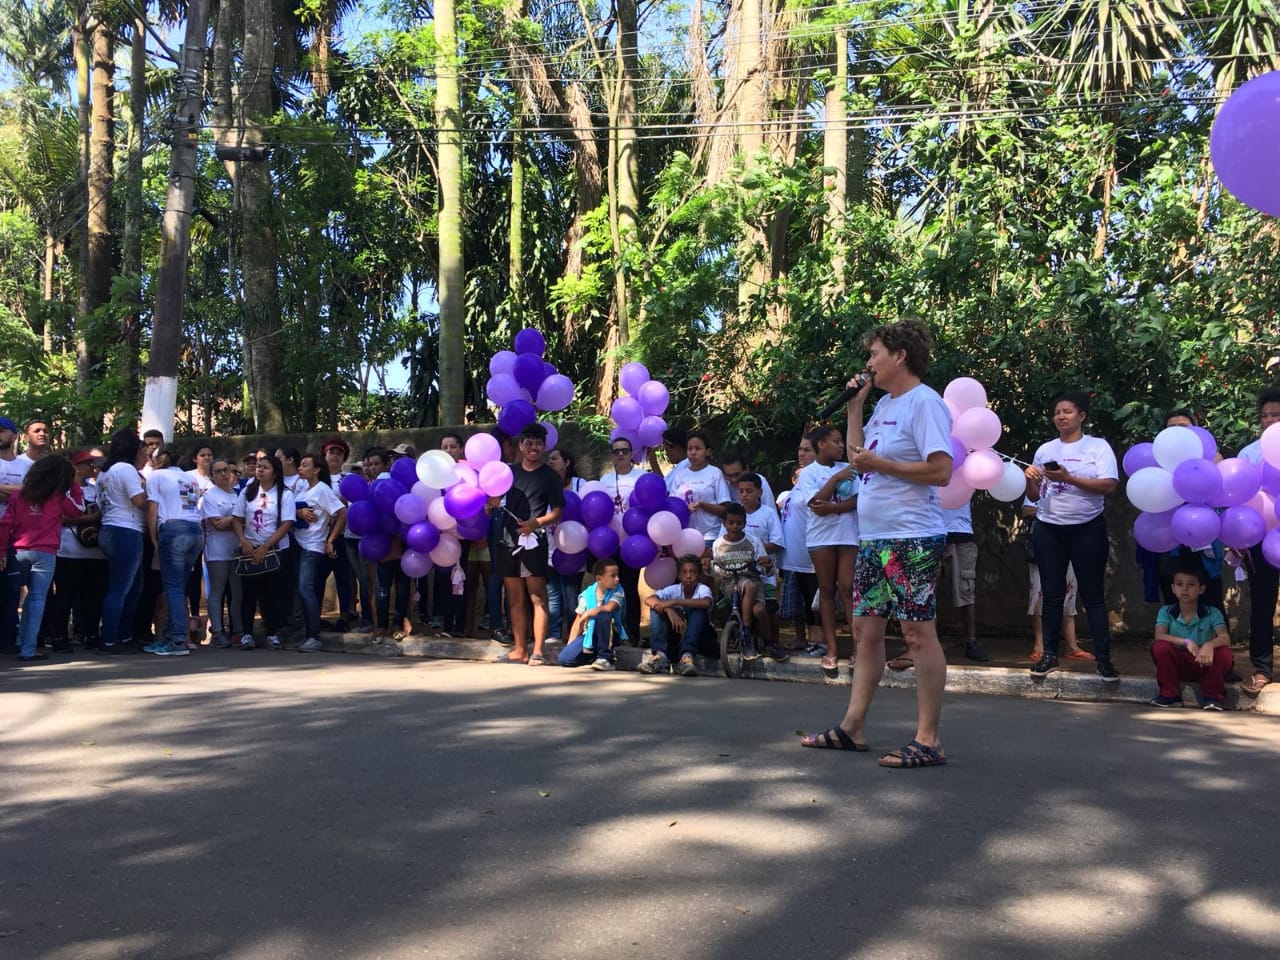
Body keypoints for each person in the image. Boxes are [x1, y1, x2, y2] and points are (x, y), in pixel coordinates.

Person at [802, 319, 954, 768]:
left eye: (874, 354)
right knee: (865, 631)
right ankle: (852, 728)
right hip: (873, 537)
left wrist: (882, 464)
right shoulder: (884, 404)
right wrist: (855, 410)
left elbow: (942, 472)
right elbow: (859, 463)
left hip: (912, 537)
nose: (869, 362)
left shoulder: (925, 404)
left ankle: (929, 739)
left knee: (916, 634)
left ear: (899, 356)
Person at [1024, 388, 1121, 682]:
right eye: (1056, 412)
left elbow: (1108, 485)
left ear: (1081, 416)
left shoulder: (1097, 447)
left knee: (1092, 596)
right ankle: (1049, 655)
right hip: (1048, 528)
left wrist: (1068, 477)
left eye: (1066, 412)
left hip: (1087, 527)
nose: (1060, 417)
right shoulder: (1045, 450)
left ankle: (1104, 660)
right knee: (1051, 594)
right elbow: (1033, 497)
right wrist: (1030, 479)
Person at [494, 423, 564, 665]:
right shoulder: (508, 472)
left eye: (538, 444)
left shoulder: (550, 476)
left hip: (534, 543)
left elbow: (557, 512)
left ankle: (538, 651)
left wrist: (536, 523)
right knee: (514, 598)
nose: (533, 448)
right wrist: (489, 502)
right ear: (521, 446)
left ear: (544, 447)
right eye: (529, 443)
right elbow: (493, 499)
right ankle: (520, 649)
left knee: (537, 597)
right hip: (507, 541)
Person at [0, 455, 80, 662]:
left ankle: (19, 640)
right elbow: (78, 510)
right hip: (45, 552)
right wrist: (76, 485)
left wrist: (1, 551)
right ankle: (28, 648)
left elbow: (5, 524)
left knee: (19, 596)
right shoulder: (58, 497)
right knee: (36, 598)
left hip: (18, 550)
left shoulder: (19, 496)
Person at [795, 424, 859, 677]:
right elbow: (814, 502)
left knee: (847, 586)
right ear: (821, 444)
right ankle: (831, 648)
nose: (841, 446)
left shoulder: (849, 469)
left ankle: (858, 648)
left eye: (841, 441)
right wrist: (834, 480)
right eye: (836, 441)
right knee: (827, 589)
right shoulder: (808, 473)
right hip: (820, 538)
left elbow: (856, 501)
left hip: (848, 536)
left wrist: (832, 508)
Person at [1239, 387, 1280, 695]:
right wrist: (1236, 537)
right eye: (1264, 415)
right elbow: (1236, 495)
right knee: (1262, 604)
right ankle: (1262, 669)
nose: (1268, 420)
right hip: (1259, 537)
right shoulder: (1249, 453)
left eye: (1275, 414)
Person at [143, 444, 203, 656]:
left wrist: (153, 536)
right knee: (179, 587)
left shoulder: (156, 476)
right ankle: (172, 636)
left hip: (173, 528)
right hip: (196, 531)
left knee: (173, 588)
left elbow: (152, 507)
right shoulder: (190, 478)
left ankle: (177, 640)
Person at [232, 453, 296, 650]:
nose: (259, 469)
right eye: (259, 466)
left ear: (275, 473)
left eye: (265, 467)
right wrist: (243, 540)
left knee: (273, 594)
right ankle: (247, 634)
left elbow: (287, 523)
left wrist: (266, 546)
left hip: (275, 550)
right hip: (250, 549)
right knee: (248, 594)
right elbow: (236, 517)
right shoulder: (247, 492)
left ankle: (272, 633)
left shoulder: (284, 494)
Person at [1149, 563, 1234, 710]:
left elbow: (1225, 637)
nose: (1185, 589)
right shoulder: (1166, 611)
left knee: (1224, 652)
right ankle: (1170, 695)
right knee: (1160, 647)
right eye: (1179, 584)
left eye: (1191, 584)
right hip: (1178, 663)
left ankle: (1213, 697)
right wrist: (1186, 641)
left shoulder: (1212, 612)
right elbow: (1159, 635)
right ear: (1173, 589)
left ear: (1201, 589)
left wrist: (1209, 645)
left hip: (1204, 662)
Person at [46, 449, 106, 653]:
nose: (92, 467)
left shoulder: (97, 487)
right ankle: (60, 636)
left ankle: (91, 634)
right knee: (65, 595)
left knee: (93, 596)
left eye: (94, 464)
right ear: (75, 467)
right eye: (88, 463)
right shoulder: (62, 491)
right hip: (68, 550)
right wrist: (87, 519)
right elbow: (57, 518)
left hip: (96, 551)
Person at [98, 429, 150, 654]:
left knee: (133, 587)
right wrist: (152, 494)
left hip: (109, 528)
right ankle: (110, 639)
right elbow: (138, 500)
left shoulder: (104, 472)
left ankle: (125, 636)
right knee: (120, 588)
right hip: (126, 530)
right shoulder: (126, 469)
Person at [1022, 500, 1092, 661]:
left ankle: (1071, 646)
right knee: (1039, 594)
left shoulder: (1074, 483)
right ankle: (1039, 645)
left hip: (1071, 543)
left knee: (1069, 593)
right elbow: (1026, 511)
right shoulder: (1038, 484)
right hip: (1043, 545)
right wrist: (1055, 509)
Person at [294, 452, 347, 652]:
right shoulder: (303, 488)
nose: (300, 468)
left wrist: (330, 539)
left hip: (312, 545)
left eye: (305, 465)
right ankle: (305, 630)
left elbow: (342, 512)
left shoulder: (322, 490)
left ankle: (314, 636)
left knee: (305, 588)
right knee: (303, 589)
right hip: (299, 542)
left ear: (316, 469)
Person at [596, 437, 645, 643]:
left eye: (625, 450)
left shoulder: (641, 478)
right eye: (616, 451)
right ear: (612, 455)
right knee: (612, 589)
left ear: (632, 453)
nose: (621, 454)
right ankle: (613, 635)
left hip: (633, 544)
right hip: (610, 542)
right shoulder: (605, 481)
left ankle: (631, 633)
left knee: (630, 589)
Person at [734, 471, 787, 660]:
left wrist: (752, 551)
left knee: (766, 609)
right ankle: (734, 638)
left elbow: (778, 543)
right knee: (723, 606)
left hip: (764, 573)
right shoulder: (733, 514)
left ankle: (772, 642)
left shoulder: (768, 514)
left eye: (749, 491)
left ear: (759, 492)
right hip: (738, 574)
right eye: (741, 491)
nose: (744, 495)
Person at [710, 502, 771, 661]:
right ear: (724, 523)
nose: (735, 526)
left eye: (739, 522)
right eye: (731, 522)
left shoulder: (754, 542)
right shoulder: (718, 545)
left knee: (758, 609)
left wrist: (766, 564)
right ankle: (746, 634)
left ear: (745, 523)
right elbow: (716, 570)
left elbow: (765, 569)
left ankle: (769, 642)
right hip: (730, 584)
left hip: (752, 581)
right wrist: (709, 567)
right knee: (744, 588)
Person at [778, 436, 819, 655]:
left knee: (814, 601)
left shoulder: (818, 482)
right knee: (797, 602)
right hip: (791, 556)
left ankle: (817, 641)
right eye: (800, 449)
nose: (801, 454)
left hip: (811, 555)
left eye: (807, 450)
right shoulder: (796, 486)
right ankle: (801, 639)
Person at [639, 554, 713, 676]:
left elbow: (706, 602)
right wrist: (668, 609)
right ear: (678, 575)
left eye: (692, 572)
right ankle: (660, 656)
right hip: (675, 639)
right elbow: (649, 599)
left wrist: (675, 602)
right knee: (657, 608)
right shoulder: (673, 589)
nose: (688, 576)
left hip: (702, 640)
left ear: (699, 575)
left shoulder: (702, 589)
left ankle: (687, 658)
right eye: (684, 572)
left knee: (697, 611)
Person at [545, 445, 588, 643]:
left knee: (572, 599)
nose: (550, 462)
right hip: (551, 548)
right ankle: (554, 633)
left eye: (554, 458)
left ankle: (573, 635)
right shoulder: (545, 485)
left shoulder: (581, 485)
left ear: (567, 463)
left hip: (574, 551)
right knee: (553, 595)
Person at [428, 433, 468, 636]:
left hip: (463, 537)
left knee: (460, 582)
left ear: (460, 449)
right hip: (439, 539)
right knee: (443, 583)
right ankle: (446, 626)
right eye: (445, 447)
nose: (449, 450)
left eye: (453, 446)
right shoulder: (433, 475)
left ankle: (459, 627)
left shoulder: (467, 474)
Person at [200, 458, 243, 648]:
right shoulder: (210, 496)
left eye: (226, 470)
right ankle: (217, 630)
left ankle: (238, 630)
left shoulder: (238, 495)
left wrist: (232, 521)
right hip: (217, 551)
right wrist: (235, 521)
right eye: (219, 471)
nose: (224, 474)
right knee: (217, 591)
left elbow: (246, 521)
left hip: (237, 549)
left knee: (238, 592)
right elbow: (216, 524)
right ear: (212, 476)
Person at [0, 415, 34, 654]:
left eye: (2, 431)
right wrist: (19, 492)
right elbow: (23, 494)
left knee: (12, 588)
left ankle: (9, 638)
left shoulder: (27, 466)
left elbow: (33, 494)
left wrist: (6, 492)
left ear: (14, 436)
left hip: (18, 536)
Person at [322, 437, 363, 631]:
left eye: (339, 453)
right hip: (318, 537)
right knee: (317, 578)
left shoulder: (348, 479)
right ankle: (315, 617)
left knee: (344, 577)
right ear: (325, 455)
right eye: (332, 452)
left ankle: (345, 615)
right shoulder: (314, 478)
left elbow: (354, 507)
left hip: (342, 535)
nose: (335, 457)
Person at [664, 430, 731, 549]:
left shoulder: (715, 474)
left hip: (710, 537)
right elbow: (672, 505)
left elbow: (725, 510)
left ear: (707, 451)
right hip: (684, 537)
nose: (693, 452)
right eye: (690, 449)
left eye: (698, 448)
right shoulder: (680, 475)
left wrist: (703, 505)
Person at [939, 502, 989, 661]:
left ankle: (972, 642)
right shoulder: (930, 475)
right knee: (926, 593)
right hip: (932, 531)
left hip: (963, 534)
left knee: (966, 590)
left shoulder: (965, 475)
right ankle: (929, 644)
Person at [556, 558, 626, 669]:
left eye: (617, 575)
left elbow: (609, 607)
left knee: (603, 614)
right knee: (564, 659)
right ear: (599, 579)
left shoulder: (618, 590)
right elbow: (578, 621)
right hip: (589, 633)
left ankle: (605, 657)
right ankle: (593, 657)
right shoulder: (587, 594)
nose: (617, 579)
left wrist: (589, 613)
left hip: (610, 632)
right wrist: (570, 644)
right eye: (612, 576)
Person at [183, 443, 215, 640]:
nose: (206, 458)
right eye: (202, 454)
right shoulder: (187, 477)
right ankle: (193, 614)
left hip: (212, 532)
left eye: (209, 454)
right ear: (195, 458)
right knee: (192, 576)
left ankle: (213, 618)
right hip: (193, 529)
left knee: (212, 575)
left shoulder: (218, 478)